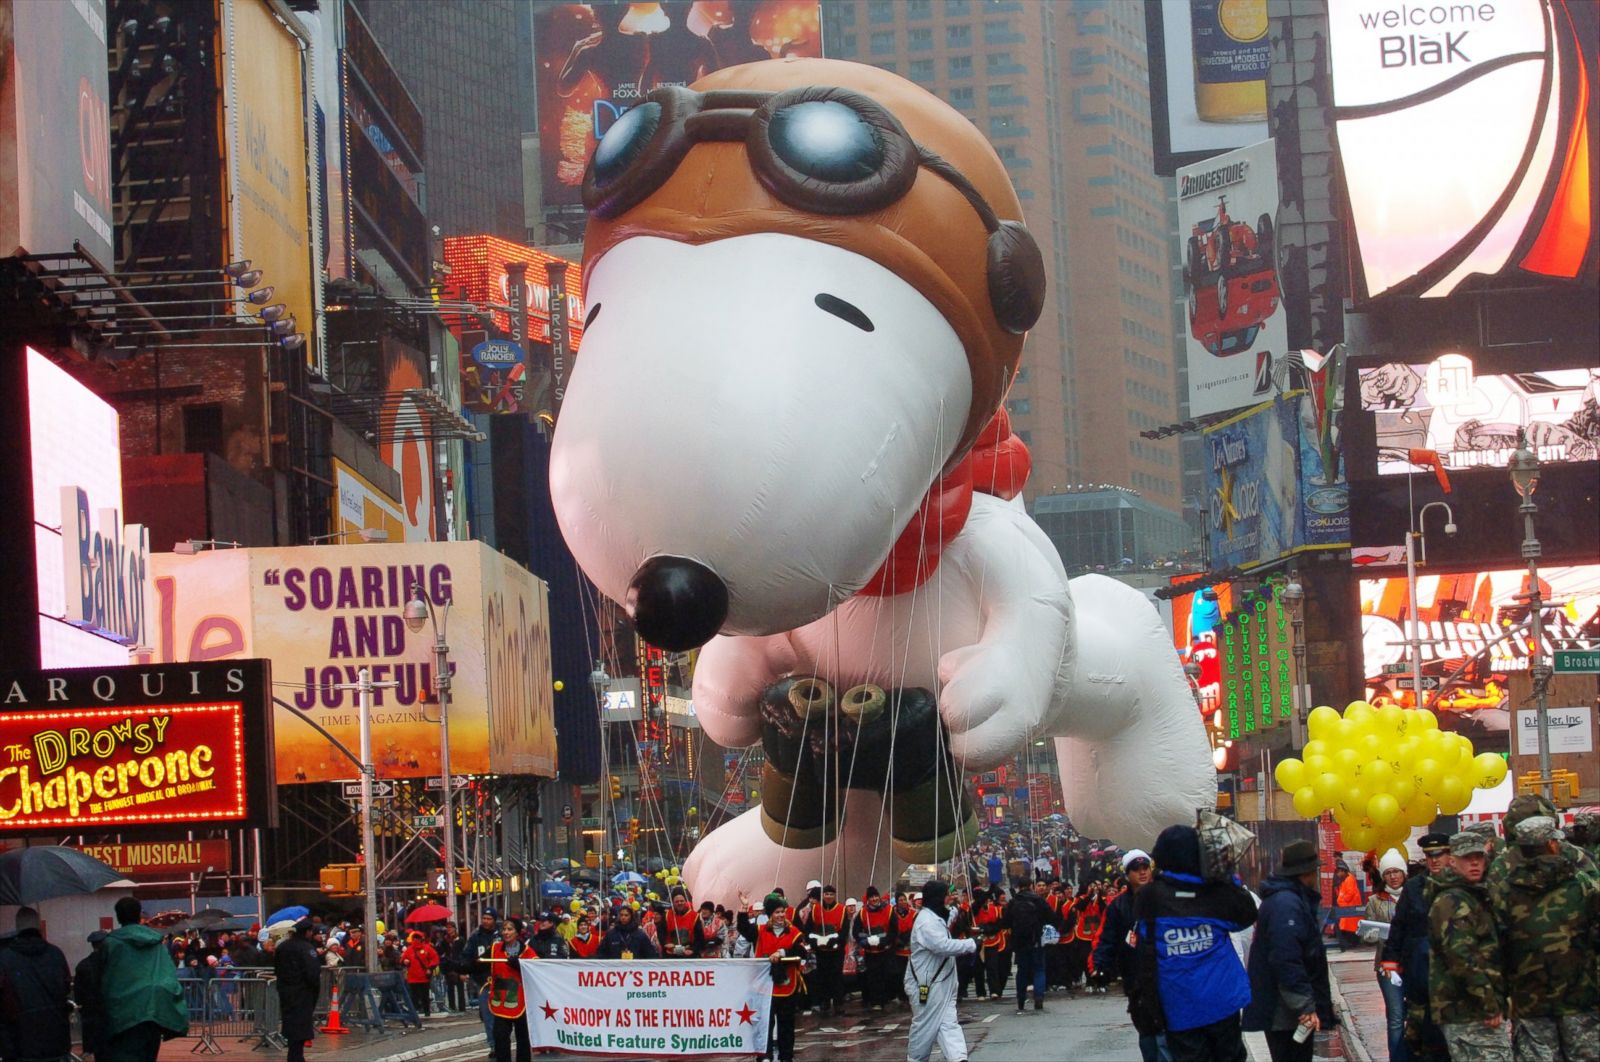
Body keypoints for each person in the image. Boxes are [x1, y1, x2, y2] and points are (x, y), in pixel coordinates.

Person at [1133, 824, 1257, 1062]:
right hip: (1223, 998)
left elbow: (1143, 947)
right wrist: (1227, 878)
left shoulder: (1150, 896)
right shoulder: (1215, 891)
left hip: (1178, 1003)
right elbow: (1247, 916)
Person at [1488, 815, 1600, 1060]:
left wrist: (1498, 996)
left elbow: (1495, 947)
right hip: (1580, 999)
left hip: (1529, 1002)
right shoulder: (1580, 884)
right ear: (1552, 845)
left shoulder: (1505, 891)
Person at [1242, 840, 1334, 1062]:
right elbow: (1286, 958)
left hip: (1284, 1009)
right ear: (1307, 872)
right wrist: (1304, 1005)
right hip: (1284, 1011)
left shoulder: (1286, 900)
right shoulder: (1287, 904)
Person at [1426, 832, 1508, 1061]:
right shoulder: (1453, 900)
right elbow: (1460, 957)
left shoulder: (1471, 894)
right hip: (1468, 1011)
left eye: (1478, 857)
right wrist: (1488, 1003)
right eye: (1466, 858)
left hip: (1467, 1009)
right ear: (1452, 861)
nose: (1474, 863)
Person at [89, 895, 188, 1059]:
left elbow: (101, 979)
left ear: (118, 916)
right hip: (152, 1013)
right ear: (138, 915)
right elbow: (169, 976)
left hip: (121, 1016)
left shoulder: (111, 944)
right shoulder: (156, 943)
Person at [1093, 850, 1169, 1062]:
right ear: (1127, 874)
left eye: (1145, 868)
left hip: (1165, 973)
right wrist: (1100, 966)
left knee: (1164, 1033)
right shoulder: (1118, 906)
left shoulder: (1163, 896)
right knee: (1146, 1032)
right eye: (1136, 869)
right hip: (1135, 977)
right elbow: (1107, 939)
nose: (1142, 873)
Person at [1382, 832, 1450, 1061]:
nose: (1435, 860)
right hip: (1419, 975)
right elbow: (1399, 925)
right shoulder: (1414, 888)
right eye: (1430, 856)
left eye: (1439, 855)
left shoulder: (1458, 884)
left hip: (1451, 975)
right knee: (1418, 1033)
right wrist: (1390, 961)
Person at [904, 881, 976, 1062]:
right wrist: (972, 944)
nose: (949, 897)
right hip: (926, 985)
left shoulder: (935, 916)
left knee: (948, 1023)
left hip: (943, 982)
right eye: (946, 894)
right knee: (924, 1026)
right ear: (937, 897)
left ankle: (958, 1058)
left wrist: (956, 908)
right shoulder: (926, 922)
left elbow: (947, 917)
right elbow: (942, 945)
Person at [743, 894, 810, 1062]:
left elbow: (802, 952)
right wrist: (744, 908)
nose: (781, 915)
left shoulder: (793, 932)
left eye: (783, 912)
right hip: (764, 987)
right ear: (770, 914)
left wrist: (782, 953)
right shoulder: (760, 930)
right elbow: (743, 928)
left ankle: (786, 1056)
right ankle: (764, 1055)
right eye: (777, 912)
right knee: (765, 1023)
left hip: (787, 986)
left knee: (786, 1024)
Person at [0, 906, 72, 1062]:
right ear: (38, 926)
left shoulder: (4, 959)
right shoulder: (56, 954)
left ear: (17, 927)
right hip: (57, 1039)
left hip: (20, 1043)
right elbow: (66, 987)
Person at [1358, 849, 1408, 1061]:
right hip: (1387, 965)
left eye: (1397, 871)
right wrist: (1369, 936)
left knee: (1417, 1014)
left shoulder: (1414, 894)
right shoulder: (1376, 901)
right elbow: (1366, 932)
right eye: (1389, 872)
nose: (1393, 876)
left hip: (1412, 962)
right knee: (1396, 1015)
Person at [1003, 878, 1054, 1013]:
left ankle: (1021, 999)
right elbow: (1051, 917)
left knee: (1022, 971)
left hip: (1019, 942)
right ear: (1031, 886)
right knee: (1039, 969)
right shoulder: (1039, 901)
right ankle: (1039, 996)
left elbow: (1005, 922)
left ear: (1018, 887)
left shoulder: (1013, 902)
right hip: (1036, 939)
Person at [274, 920, 321, 1062]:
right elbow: (312, 972)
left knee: (290, 1024)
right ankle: (296, 1057)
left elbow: (277, 969)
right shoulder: (306, 948)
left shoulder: (282, 947)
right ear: (307, 932)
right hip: (302, 993)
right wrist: (314, 991)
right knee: (300, 1026)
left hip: (286, 991)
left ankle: (294, 1055)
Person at [486, 919, 532, 1062]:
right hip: (500, 1002)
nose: (506, 932)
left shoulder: (527, 951)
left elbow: (535, 971)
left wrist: (519, 965)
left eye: (510, 929)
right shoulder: (495, 948)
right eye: (504, 929)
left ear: (517, 932)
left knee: (523, 1038)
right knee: (500, 1037)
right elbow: (478, 963)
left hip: (522, 1002)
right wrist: (457, 966)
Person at [801, 884, 848, 1016]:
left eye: (831, 894)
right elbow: (808, 929)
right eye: (826, 894)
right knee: (823, 976)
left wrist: (836, 942)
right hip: (821, 950)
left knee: (837, 976)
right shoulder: (816, 909)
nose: (828, 897)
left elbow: (844, 930)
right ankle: (825, 1001)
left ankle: (838, 1003)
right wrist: (815, 943)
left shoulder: (841, 909)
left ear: (835, 895)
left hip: (836, 950)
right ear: (823, 895)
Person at [856, 886, 897, 1011]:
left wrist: (883, 941)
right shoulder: (863, 913)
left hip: (885, 950)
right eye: (871, 897)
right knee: (873, 977)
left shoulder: (889, 910)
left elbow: (894, 930)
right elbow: (856, 931)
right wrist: (866, 941)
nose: (874, 899)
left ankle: (885, 998)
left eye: (875, 896)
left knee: (886, 974)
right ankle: (875, 1001)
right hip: (870, 951)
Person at [465, 909, 500, 1051]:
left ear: (494, 920)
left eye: (489, 918)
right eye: (484, 918)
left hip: (502, 982)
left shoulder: (501, 935)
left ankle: (502, 1042)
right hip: (483, 982)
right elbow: (467, 955)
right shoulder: (475, 937)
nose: (486, 921)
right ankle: (493, 1045)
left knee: (503, 1015)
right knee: (487, 1015)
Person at [975, 888, 1010, 1003]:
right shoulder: (973, 909)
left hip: (992, 940)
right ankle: (980, 992)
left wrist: (991, 929)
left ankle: (994, 990)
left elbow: (1000, 923)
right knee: (979, 968)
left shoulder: (996, 909)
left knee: (992, 966)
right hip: (977, 941)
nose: (986, 902)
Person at [402, 930, 440, 1016]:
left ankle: (425, 1011)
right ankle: (416, 1012)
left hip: (423, 977)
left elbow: (435, 958)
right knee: (415, 996)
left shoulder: (427, 948)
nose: (416, 940)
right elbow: (402, 960)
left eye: (418, 938)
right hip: (413, 977)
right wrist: (405, 961)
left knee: (424, 995)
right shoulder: (409, 950)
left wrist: (430, 968)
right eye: (415, 938)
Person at [1332, 863, 1363, 948]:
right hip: (1347, 908)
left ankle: (1351, 943)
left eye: (1339, 872)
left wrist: (1342, 901)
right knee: (1347, 927)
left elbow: (1349, 894)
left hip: (1350, 908)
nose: (1338, 874)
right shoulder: (1345, 879)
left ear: (1343, 871)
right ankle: (1350, 943)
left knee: (1350, 928)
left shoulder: (1349, 879)